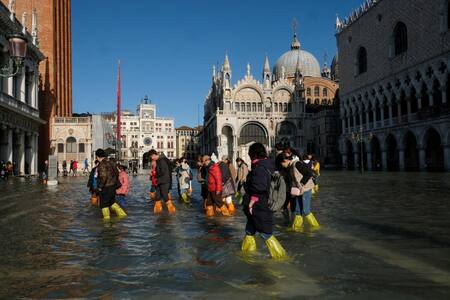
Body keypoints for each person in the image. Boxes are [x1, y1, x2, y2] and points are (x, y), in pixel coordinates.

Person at [241, 142, 286, 259]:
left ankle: (280, 257)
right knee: (250, 230)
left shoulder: (259, 167)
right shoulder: (267, 165)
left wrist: (251, 202)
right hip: (261, 203)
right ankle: (247, 254)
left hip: (258, 205)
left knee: (265, 232)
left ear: (253, 154)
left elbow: (259, 187)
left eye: (250, 154)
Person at [280, 152, 319, 232]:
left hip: (305, 189)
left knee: (306, 210)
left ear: (285, 160)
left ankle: (316, 228)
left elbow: (308, 174)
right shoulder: (291, 166)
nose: (282, 166)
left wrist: (301, 184)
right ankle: (296, 229)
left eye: (282, 164)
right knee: (298, 210)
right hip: (298, 190)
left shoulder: (296, 164)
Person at [95, 149, 127, 220]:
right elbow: (117, 173)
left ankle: (107, 222)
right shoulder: (111, 162)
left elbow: (103, 176)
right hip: (113, 187)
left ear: (97, 156)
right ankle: (123, 215)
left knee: (104, 205)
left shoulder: (102, 164)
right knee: (112, 203)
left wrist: (100, 187)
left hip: (105, 188)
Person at [149, 149, 176, 214]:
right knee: (157, 197)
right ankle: (158, 211)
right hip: (159, 181)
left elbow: (163, 171)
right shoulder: (159, 161)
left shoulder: (161, 161)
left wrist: (155, 175)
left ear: (153, 155)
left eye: (151, 157)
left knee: (165, 196)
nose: (152, 159)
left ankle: (172, 211)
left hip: (164, 181)